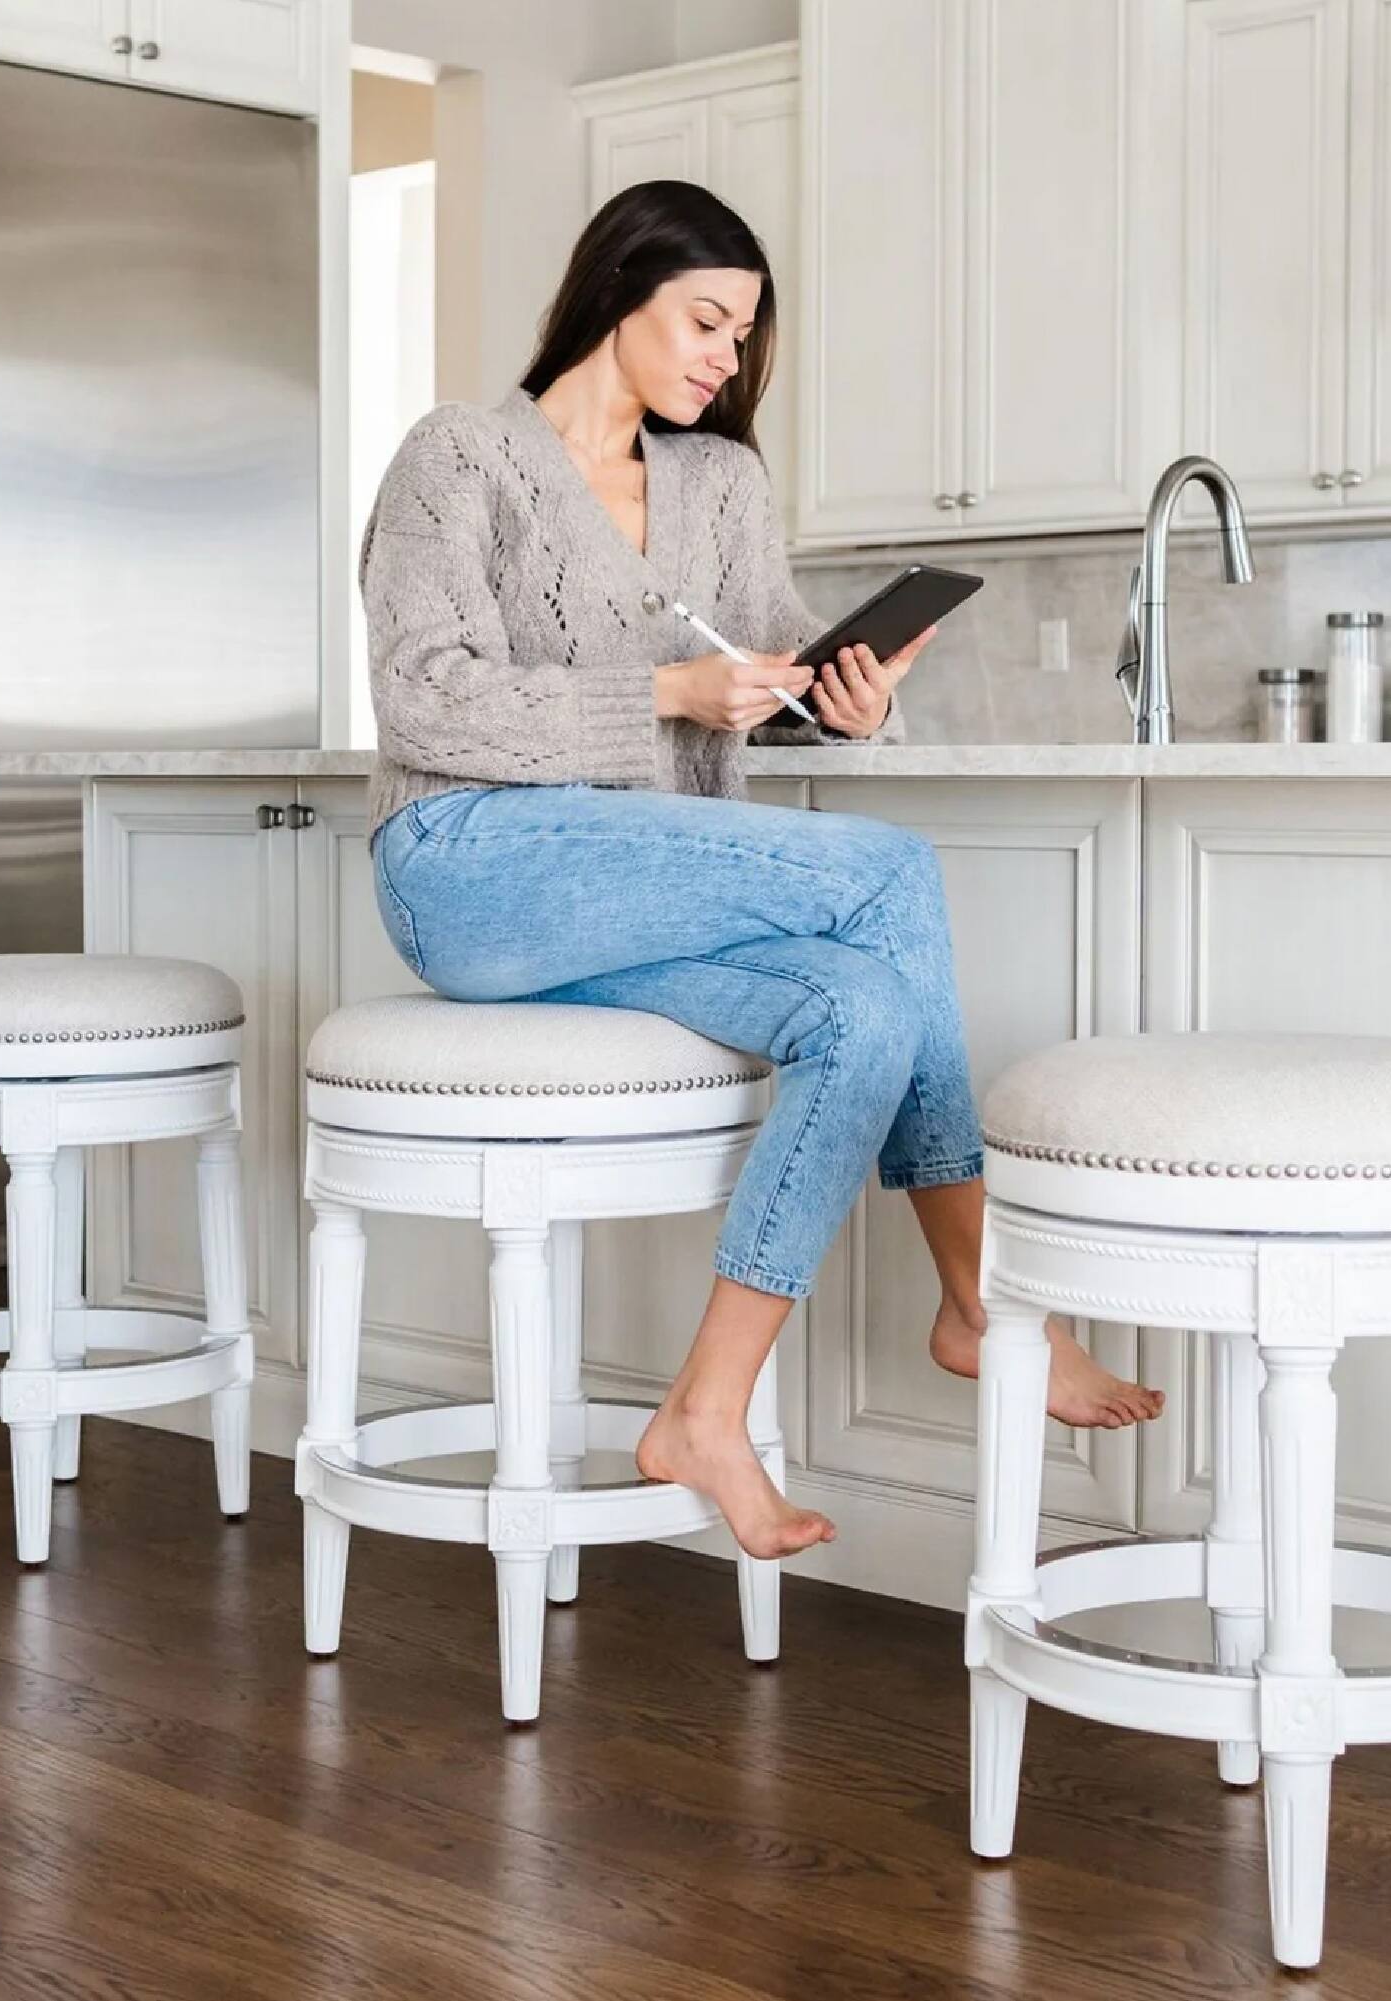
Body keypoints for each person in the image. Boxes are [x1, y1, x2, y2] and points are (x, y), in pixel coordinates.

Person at [358, 180, 1162, 1561]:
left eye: (743, 337)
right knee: (892, 873)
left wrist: (840, 697)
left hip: (628, 893)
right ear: (617, 292)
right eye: (704, 321)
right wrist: (666, 689)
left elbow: (774, 655)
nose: (726, 359)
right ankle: (984, 1305)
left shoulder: (718, 482)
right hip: (468, 866)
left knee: (863, 1007)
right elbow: (425, 697)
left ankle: (705, 1409)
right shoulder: (458, 456)